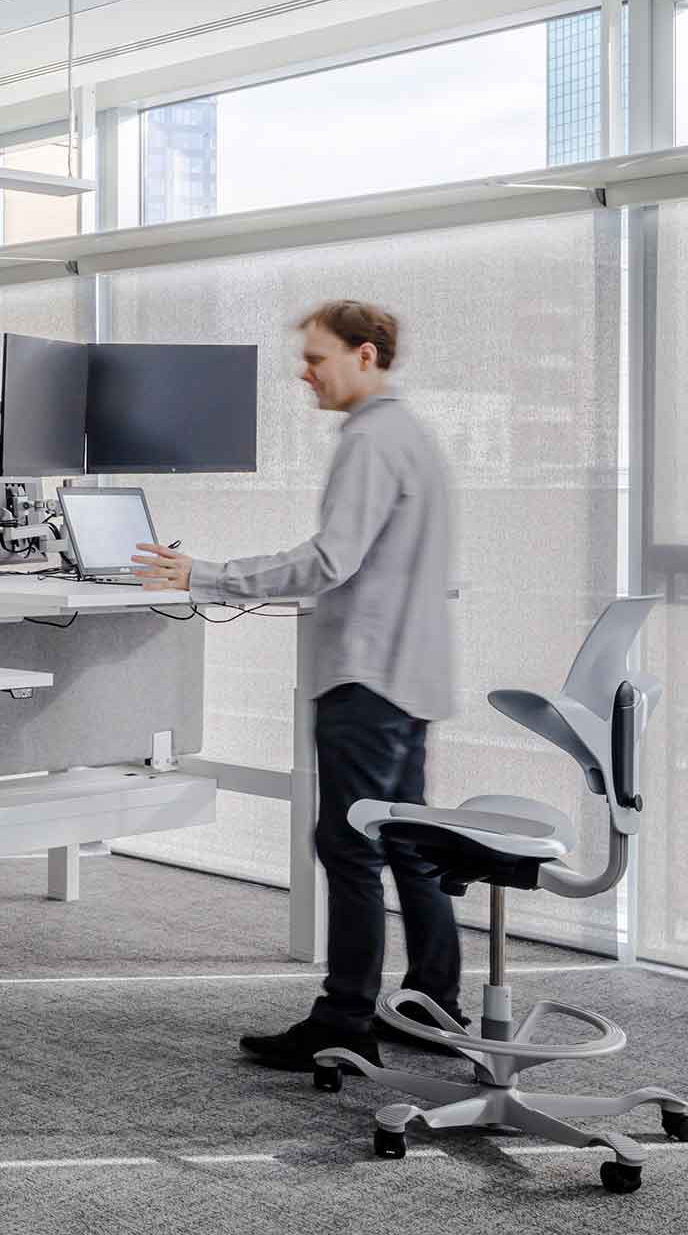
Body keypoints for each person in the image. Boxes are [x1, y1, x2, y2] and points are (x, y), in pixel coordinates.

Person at [129, 301, 463, 1070]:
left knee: (347, 845)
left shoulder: (372, 440)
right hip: (407, 673)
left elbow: (328, 560)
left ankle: (345, 1021)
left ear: (367, 356)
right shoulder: (409, 433)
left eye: (317, 358)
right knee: (407, 846)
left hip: (366, 676)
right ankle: (434, 1005)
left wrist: (207, 576)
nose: (304, 373)